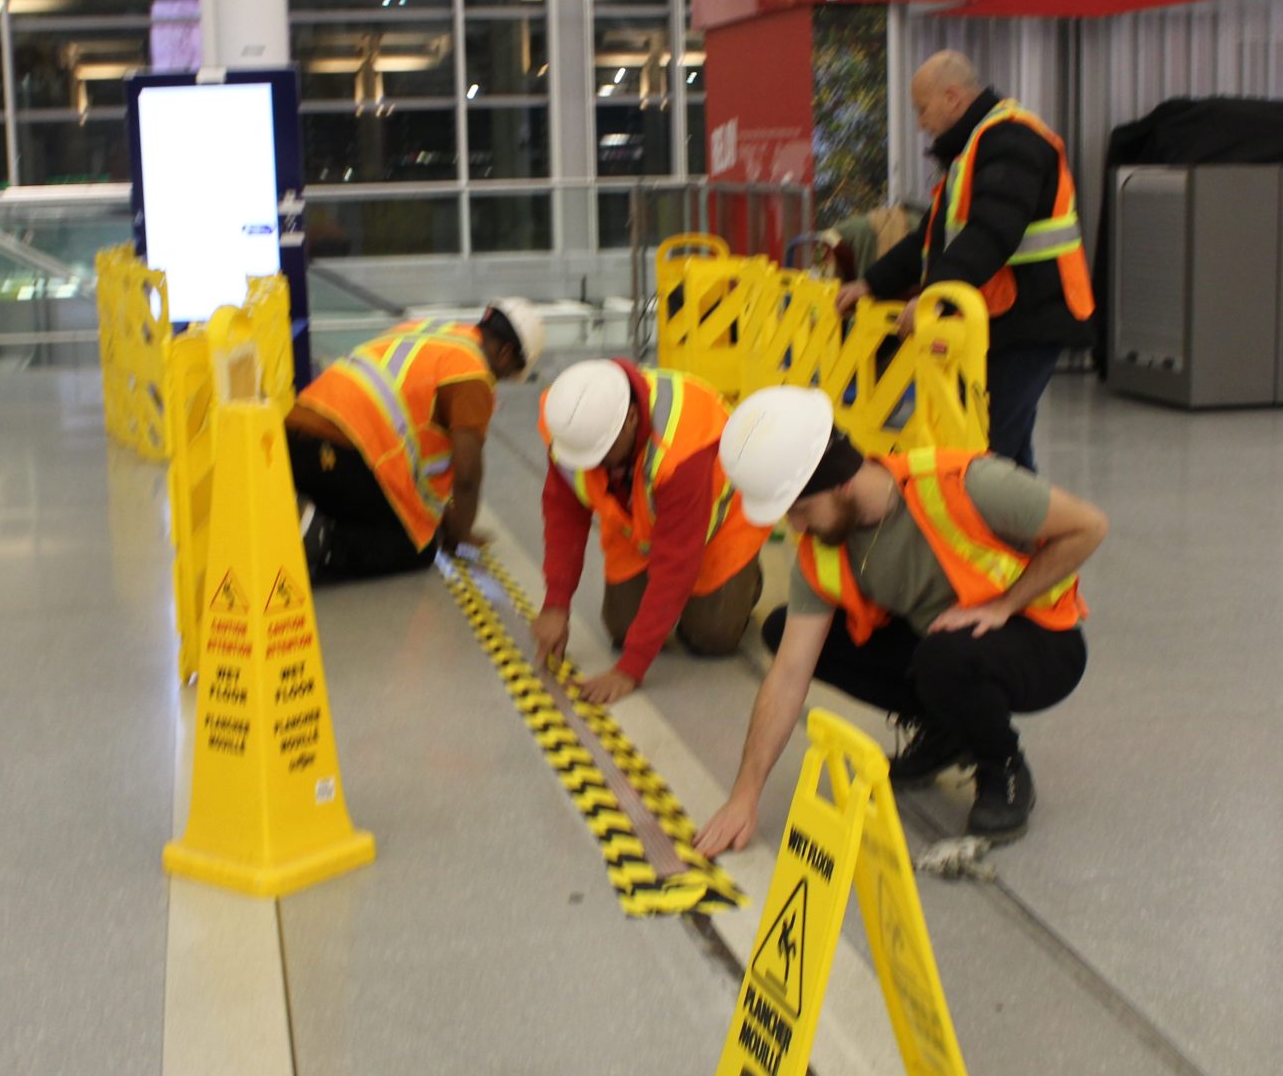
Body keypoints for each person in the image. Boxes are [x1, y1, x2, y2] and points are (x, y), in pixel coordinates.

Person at [692, 386, 1107, 856]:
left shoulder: (964, 483)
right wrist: (744, 797)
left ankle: (1004, 768)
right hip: (946, 640)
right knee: (785, 630)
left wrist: (1004, 605)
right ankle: (946, 730)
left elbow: (1089, 526)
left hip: (1043, 642)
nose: (797, 527)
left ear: (841, 482)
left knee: (943, 658)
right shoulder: (824, 548)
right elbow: (789, 675)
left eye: (800, 510)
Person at [837, 51, 1092, 472]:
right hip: (1003, 317)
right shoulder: (975, 149)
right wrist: (871, 283)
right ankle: (1019, 514)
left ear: (952, 97)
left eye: (922, 109)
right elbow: (931, 237)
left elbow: (993, 230)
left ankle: (999, 514)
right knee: (1003, 447)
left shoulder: (1012, 142)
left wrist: (935, 296)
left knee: (988, 448)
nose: (920, 123)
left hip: (1029, 318)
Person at [530, 359, 769, 704]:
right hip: (638, 526)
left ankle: (747, 581)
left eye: (600, 454)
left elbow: (676, 563)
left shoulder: (680, 447)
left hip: (718, 528)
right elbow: (564, 515)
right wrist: (556, 602)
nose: (591, 465)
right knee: (623, 629)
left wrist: (630, 669)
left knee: (712, 637)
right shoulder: (570, 421)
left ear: (630, 419)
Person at [288, 299, 545, 582]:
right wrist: (460, 535)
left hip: (295, 436)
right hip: (340, 449)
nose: (500, 381)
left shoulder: (427, 331)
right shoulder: (472, 374)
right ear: (506, 353)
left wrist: (442, 518)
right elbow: (467, 475)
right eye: (508, 374)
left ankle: (303, 510)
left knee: (398, 517)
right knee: (415, 546)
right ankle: (318, 540)